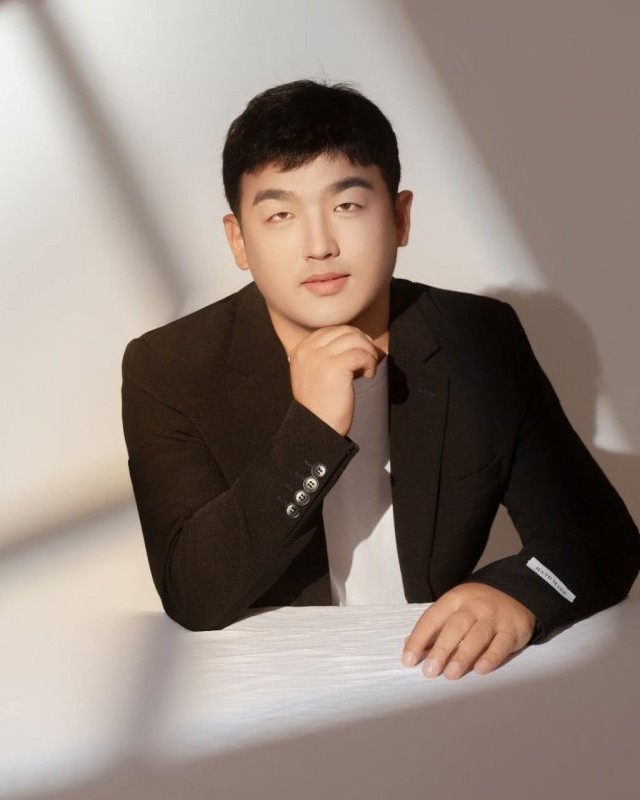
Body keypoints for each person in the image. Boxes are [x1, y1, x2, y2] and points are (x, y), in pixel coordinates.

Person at [122, 79, 640, 680]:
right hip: (270, 684)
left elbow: (598, 536)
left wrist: (517, 592)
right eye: (281, 214)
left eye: (346, 206)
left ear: (398, 217)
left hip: (434, 677)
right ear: (240, 240)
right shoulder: (168, 367)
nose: (319, 246)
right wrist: (310, 432)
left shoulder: (476, 338)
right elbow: (192, 593)